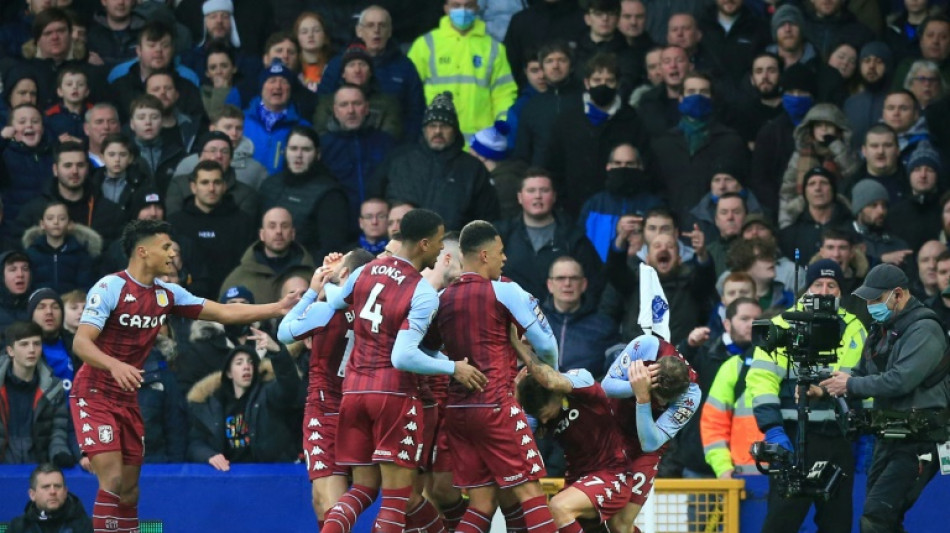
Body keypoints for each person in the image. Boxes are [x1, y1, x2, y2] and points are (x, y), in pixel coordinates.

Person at [70, 218, 301, 532]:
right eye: (165, 247)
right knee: (111, 480)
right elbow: (81, 342)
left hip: (127, 396)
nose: (172, 254)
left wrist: (276, 307)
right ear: (142, 252)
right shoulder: (110, 287)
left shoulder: (167, 294)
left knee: (130, 489)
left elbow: (223, 311)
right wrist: (113, 364)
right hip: (94, 392)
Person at [308, 209, 485, 533]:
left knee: (361, 491)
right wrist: (452, 367)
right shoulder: (421, 292)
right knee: (395, 501)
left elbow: (335, 302)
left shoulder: (365, 271)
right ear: (423, 243)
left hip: (354, 392)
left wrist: (328, 282)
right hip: (394, 396)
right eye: (437, 244)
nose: (440, 253)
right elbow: (403, 356)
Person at [422, 219, 559, 533]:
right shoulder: (506, 291)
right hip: (496, 405)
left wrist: (453, 368)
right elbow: (547, 343)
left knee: (482, 501)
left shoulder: (441, 299)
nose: (505, 258)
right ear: (484, 255)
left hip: (458, 412)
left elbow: (424, 351)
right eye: (500, 252)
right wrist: (547, 373)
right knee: (531, 492)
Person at [821, 263, 949, 533]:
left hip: (919, 438)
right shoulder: (882, 327)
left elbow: (901, 380)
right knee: (884, 519)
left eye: (876, 300)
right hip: (888, 436)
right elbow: (860, 371)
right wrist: (827, 385)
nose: (870, 306)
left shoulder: (925, 328)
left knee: (876, 517)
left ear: (899, 294)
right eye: (868, 300)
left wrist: (852, 384)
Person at [747, 259, 866, 533]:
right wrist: (773, 429)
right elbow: (760, 379)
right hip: (793, 437)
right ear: (805, 290)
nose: (824, 291)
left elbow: (861, 380)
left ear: (840, 292)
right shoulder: (782, 324)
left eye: (832, 285)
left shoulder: (855, 328)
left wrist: (864, 433)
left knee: (837, 524)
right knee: (781, 522)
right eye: (817, 284)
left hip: (838, 439)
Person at [278, 249, 375, 527]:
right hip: (362, 410)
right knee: (321, 501)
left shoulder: (325, 310)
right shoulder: (376, 313)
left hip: (326, 410)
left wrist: (313, 290)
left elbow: (284, 332)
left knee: (331, 504)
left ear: (345, 274)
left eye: (340, 265)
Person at [516, 355, 633, 533]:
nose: (544, 420)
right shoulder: (539, 414)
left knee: (558, 507)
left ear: (556, 394)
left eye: (545, 413)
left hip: (612, 473)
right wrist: (515, 396)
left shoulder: (582, 384)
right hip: (577, 481)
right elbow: (513, 435)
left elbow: (558, 379)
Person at [600, 335, 700, 530]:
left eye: (666, 402)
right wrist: (635, 385)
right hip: (610, 432)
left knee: (620, 525)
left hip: (645, 447)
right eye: (658, 397)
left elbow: (650, 443)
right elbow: (606, 387)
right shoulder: (645, 346)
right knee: (597, 515)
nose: (661, 404)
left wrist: (644, 398)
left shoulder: (692, 394)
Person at [372, 92, 500, 231]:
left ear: (455, 130)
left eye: (445, 126)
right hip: (401, 247)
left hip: (453, 248)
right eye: (432, 125)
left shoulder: (473, 168)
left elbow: (488, 219)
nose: (438, 131)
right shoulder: (399, 160)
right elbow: (374, 203)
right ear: (424, 129)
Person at [408, 0, 518, 142]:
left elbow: (504, 95)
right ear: (446, 8)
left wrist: (500, 130)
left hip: (479, 145)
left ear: (477, 8)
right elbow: (410, 95)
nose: (463, 11)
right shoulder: (425, 45)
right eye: (456, 6)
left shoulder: (494, 48)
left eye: (468, 5)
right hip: (435, 141)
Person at [186, 342, 301, 468]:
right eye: (239, 363)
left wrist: (278, 353)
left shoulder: (268, 393)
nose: (246, 367)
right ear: (229, 373)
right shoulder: (214, 404)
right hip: (230, 475)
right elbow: (196, 442)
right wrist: (209, 455)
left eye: (250, 362)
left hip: (269, 474)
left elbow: (289, 386)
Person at [495, 169, 603, 301]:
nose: (538, 196)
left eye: (544, 190)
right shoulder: (501, 235)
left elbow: (594, 283)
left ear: (554, 196)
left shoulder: (573, 237)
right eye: (531, 190)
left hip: (561, 318)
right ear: (519, 197)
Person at [260, 127, 354, 261]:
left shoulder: (331, 194)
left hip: (307, 270)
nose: (298, 155)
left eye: (306, 149)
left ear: (318, 154)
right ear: (285, 152)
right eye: (293, 149)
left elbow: (331, 248)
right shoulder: (269, 185)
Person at [699, 297, 765, 478]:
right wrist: (724, 469)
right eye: (745, 319)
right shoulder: (732, 367)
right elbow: (714, 424)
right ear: (727, 324)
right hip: (742, 477)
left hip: (788, 478)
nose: (752, 325)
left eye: (757, 320)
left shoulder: (790, 365)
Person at [167, 160, 255, 295]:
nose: (211, 188)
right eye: (205, 182)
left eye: (217, 182)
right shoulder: (175, 223)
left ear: (225, 186)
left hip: (232, 299)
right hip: (188, 301)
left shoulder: (243, 222)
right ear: (193, 187)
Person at [1, 320, 74, 466]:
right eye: (24, 344)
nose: (32, 350)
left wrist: (59, 452)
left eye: (37, 343)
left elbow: (58, 430)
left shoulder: (54, 387)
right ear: (10, 351)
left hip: (41, 465)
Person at [542, 256, 620, 378]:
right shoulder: (534, 323)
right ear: (550, 285)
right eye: (560, 278)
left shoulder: (605, 327)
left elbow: (615, 373)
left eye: (574, 278)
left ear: (584, 284)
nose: (567, 283)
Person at [220, 207, 317, 305]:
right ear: (262, 234)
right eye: (272, 226)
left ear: (292, 233)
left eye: (284, 226)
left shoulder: (313, 276)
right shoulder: (239, 277)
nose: (278, 231)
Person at [7, 463, 92, 533]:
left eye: (57, 486)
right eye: (46, 487)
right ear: (32, 495)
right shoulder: (17, 528)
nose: (53, 491)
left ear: (65, 492)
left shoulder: (86, 527)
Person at [0, 251, 34, 335]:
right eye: (12, 270)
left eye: (25, 269)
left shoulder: (38, 307)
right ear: (2, 276)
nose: (20, 274)